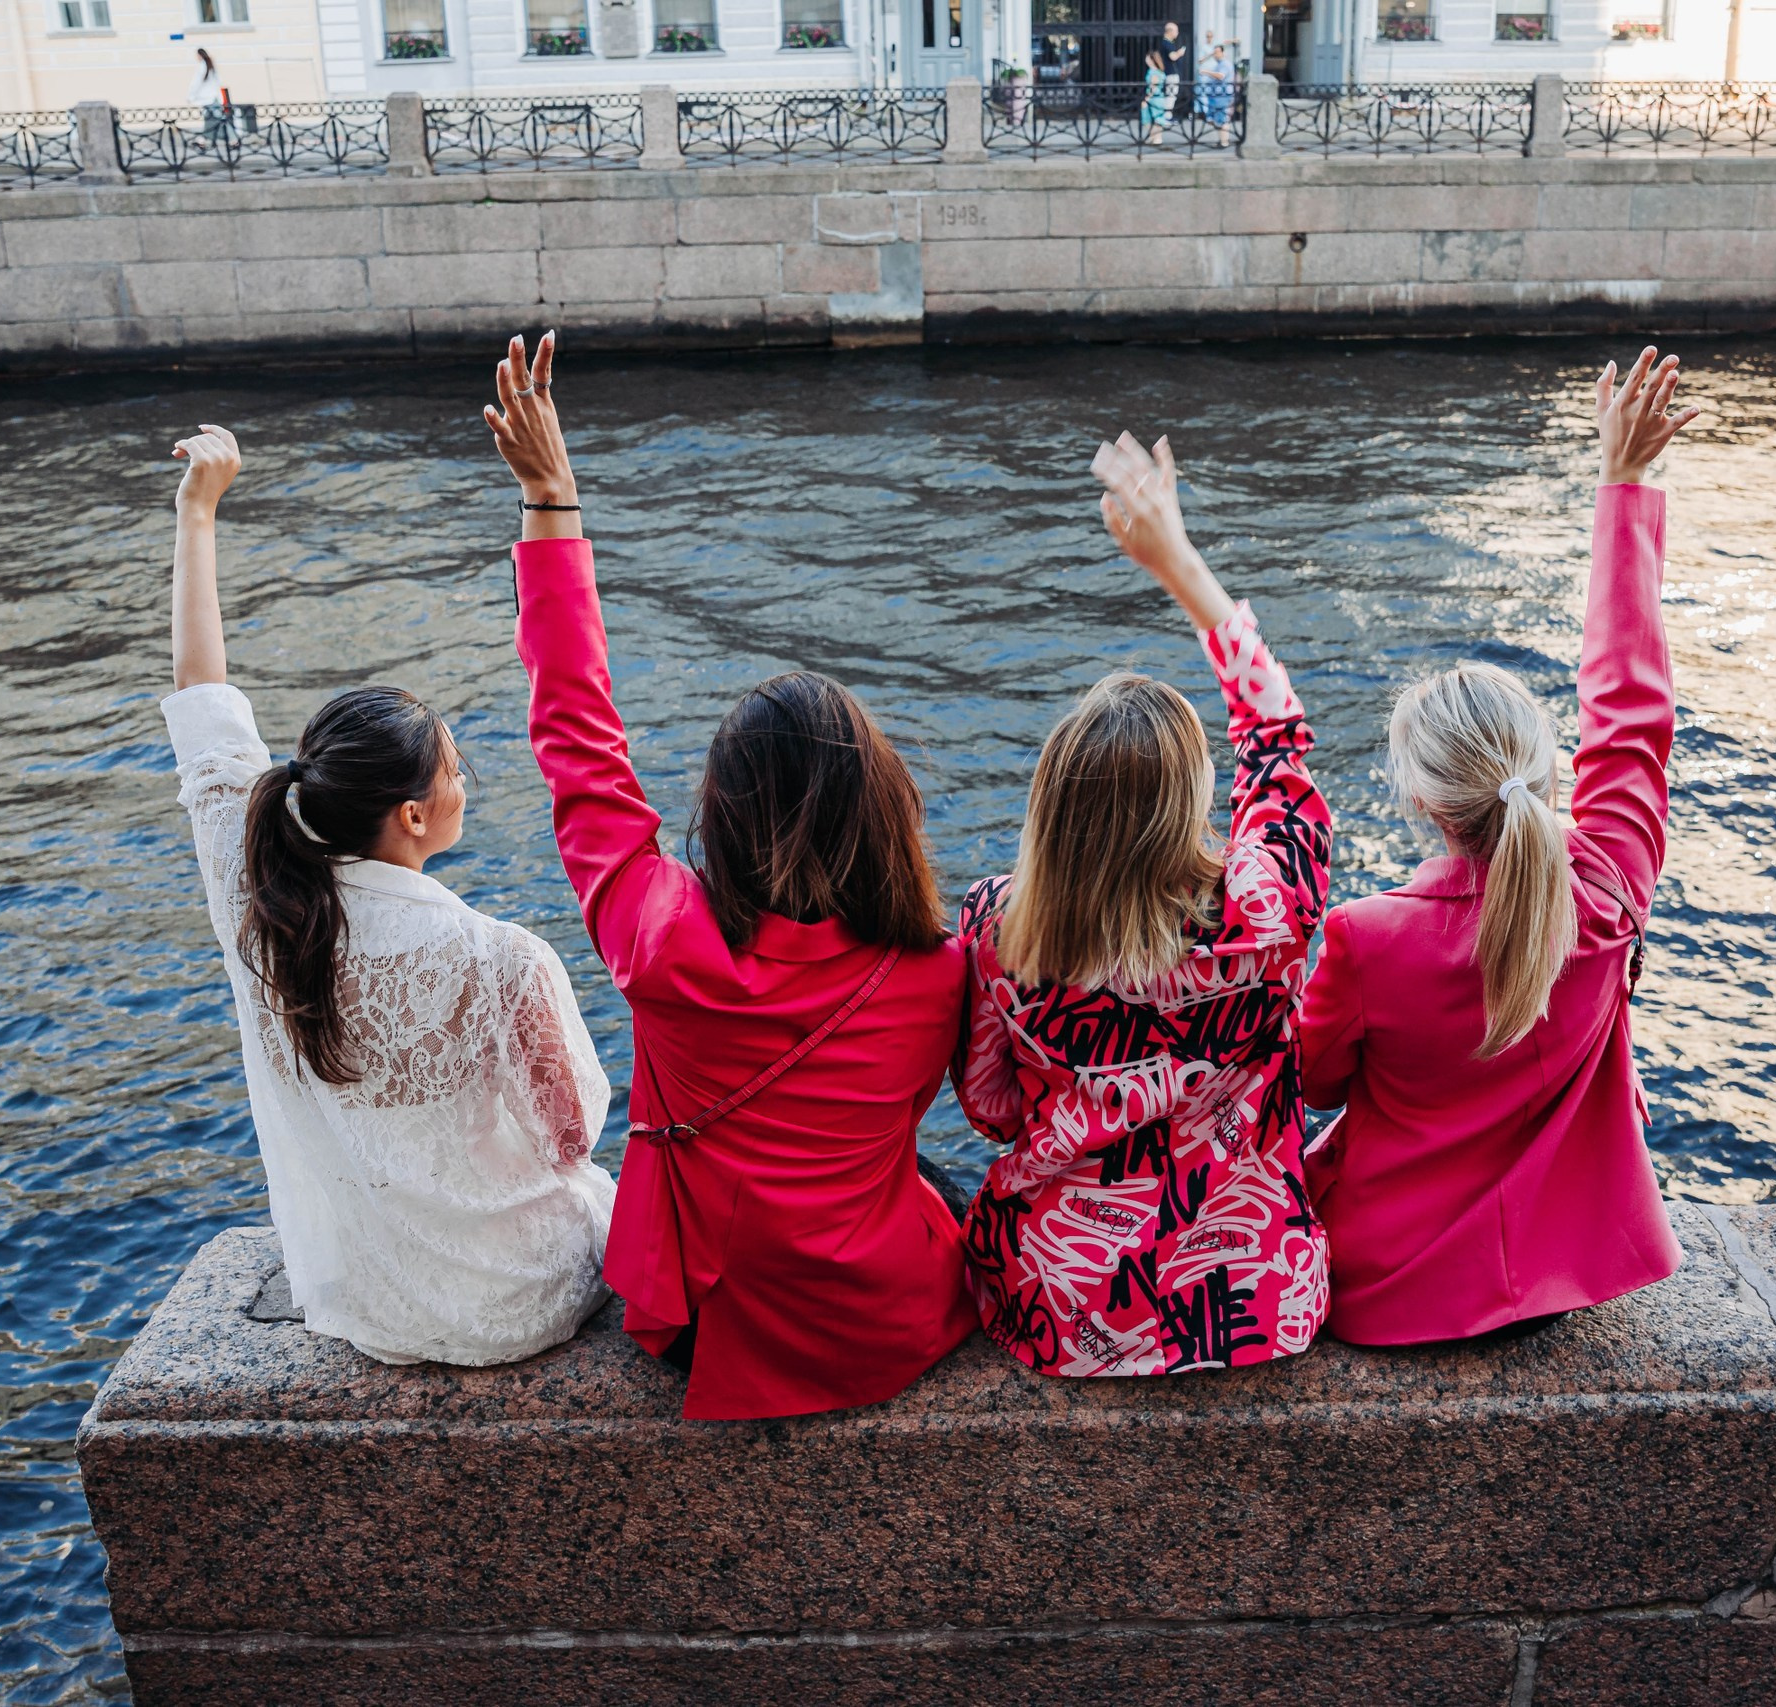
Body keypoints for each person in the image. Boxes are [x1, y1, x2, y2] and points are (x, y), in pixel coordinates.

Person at [486, 332, 979, 1422]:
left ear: (718, 812)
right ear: (887, 809)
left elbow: (578, 736)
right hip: (891, 1316)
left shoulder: (662, 941)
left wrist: (554, 503)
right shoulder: (941, 970)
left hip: (709, 1322)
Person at [160, 424, 618, 1368]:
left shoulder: (257, 893)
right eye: (456, 767)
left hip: (361, 1299)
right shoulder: (499, 955)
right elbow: (571, 1134)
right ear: (414, 816)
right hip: (518, 1303)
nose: (467, 779)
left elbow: (202, 697)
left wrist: (198, 513)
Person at [1297, 348, 1700, 1347]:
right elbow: (1632, 701)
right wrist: (1623, 486)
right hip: (1563, 1282)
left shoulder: (1365, 936)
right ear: (1548, 769)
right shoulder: (1605, 888)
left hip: (1389, 1292)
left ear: (1421, 802)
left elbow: (1308, 1085)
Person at [954, 431, 1334, 1379]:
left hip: (1059, 1304)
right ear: (1194, 804)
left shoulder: (1002, 927)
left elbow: (993, 1110)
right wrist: (1179, 564)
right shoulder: (1267, 913)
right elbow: (1277, 739)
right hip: (1259, 1298)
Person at [188, 47, 230, 146]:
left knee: (219, 119)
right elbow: (218, 81)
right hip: (213, 97)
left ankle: (233, 140)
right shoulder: (210, 65)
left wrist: (191, 96)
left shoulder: (202, 66)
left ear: (199, 55)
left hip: (207, 99)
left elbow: (196, 83)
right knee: (210, 119)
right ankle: (202, 140)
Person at [1197, 31, 1239, 128]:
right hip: (1217, 94)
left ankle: (1224, 142)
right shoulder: (1205, 48)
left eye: (1211, 36)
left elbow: (1221, 76)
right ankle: (1222, 140)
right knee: (1216, 120)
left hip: (1222, 95)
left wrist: (1206, 72)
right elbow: (1200, 60)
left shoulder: (1224, 64)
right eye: (1207, 36)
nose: (1209, 38)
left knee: (1222, 121)